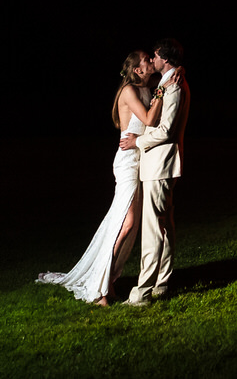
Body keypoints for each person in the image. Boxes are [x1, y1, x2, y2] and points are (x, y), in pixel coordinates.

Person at [37, 50, 166, 305]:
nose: (151, 60)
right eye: (145, 59)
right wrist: (161, 94)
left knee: (127, 225)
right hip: (127, 163)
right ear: (138, 70)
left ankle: (108, 282)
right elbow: (150, 118)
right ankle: (101, 289)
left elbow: (162, 81)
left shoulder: (145, 86)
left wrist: (172, 77)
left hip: (139, 161)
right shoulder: (129, 91)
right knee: (126, 224)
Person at [123, 37, 190, 305]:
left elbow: (166, 130)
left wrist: (137, 141)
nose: (153, 59)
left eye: (156, 55)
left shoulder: (174, 86)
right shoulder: (168, 82)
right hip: (160, 164)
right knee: (163, 227)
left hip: (160, 164)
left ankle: (143, 291)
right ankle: (162, 283)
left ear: (166, 59)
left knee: (154, 229)